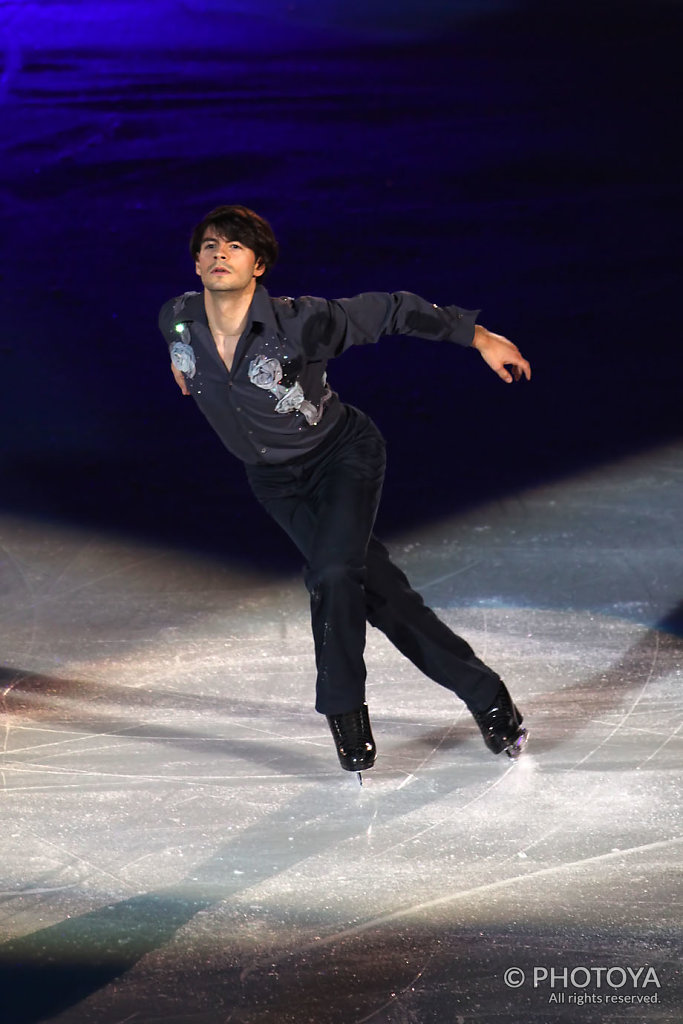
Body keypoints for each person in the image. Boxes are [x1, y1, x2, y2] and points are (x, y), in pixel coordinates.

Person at [159, 204, 531, 777]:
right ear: (195, 261)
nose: (219, 254)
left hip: (342, 458)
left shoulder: (300, 323)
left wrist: (479, 336)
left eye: (234, 247)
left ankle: (344, 710)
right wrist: (186, 369)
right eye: (209, 245)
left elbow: (393, 311)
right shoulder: (178, 321)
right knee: (379, 595)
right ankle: (487, 696)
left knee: (333, 574)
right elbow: (184, 360)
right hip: (275, 483)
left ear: (258, 265)